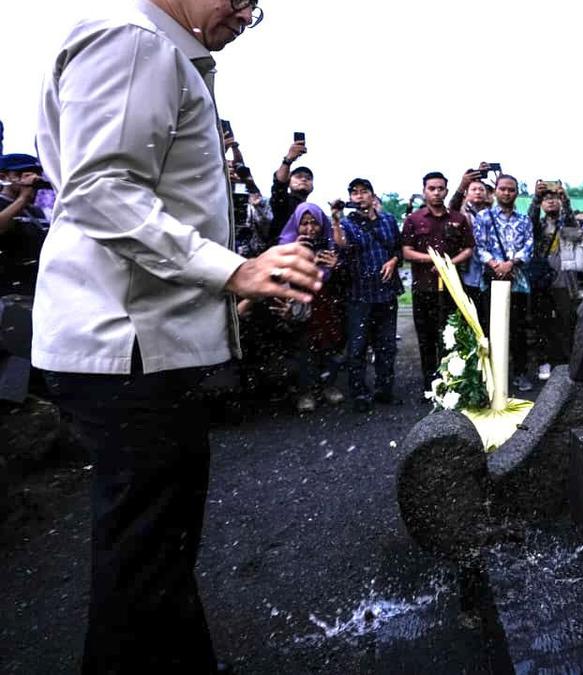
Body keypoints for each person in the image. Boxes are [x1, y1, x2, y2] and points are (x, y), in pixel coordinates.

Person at [33, 1, 320, 672]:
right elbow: (102, 190)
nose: (246, 17)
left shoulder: (161, 51)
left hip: (144, 342)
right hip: (129, 347)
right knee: (143, 578)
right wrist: (234, 270)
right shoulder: (135, 44)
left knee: (156, 566)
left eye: (257, 7)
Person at [333, 177, 403, 412]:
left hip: (386, 293)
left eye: (364, 192)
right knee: (358, 347)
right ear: (351, 198)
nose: (359, 196)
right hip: (359, 294)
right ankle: (360, 393)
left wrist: (393, 261)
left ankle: (385, 389)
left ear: (373, 196)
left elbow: (398, 249)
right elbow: (341, 246)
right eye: (355, 193)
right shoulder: (347, 225)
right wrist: (335, 218)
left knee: (387, 346)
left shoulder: (388, 220)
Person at [401, 172, 475, 387]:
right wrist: (433, 260)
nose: (436, 193)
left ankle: (451, 382)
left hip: (452, 288)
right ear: (424, 191)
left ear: (446, 190)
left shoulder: (457, 219)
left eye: (440, 188)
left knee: (450, 336)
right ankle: (430, 384)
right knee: (426, 338)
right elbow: (406, 251)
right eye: (431, 188)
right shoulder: (413, 220)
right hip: (423, 287)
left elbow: (469, 248)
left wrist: (448, 264)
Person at [468, 174, 534, 392]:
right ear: (495, 191)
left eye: (511, 189)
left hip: (517, 281)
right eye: (503, 189)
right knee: (492, 328)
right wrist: (496, 265)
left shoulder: (524, 219)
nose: (507, 193)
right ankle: (495, 375)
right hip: (491, 280)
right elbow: (478, 247)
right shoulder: (484, 217)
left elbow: (529, 246)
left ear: (517, 192)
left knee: (518, 328)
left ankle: (521, 373)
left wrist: (511, 264)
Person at [279, 203, 343, 412]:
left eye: (314, 223)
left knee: (328, 346)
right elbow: (281, 274)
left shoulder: (328, 243)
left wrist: (335, 266)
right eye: (304, 223)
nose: (309, 229)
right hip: (300, 301)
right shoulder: (287, 244)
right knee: (303, 349)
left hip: (325, 304)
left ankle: (328, 386)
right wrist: (299, 254)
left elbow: (339, 277)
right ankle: (305, 392)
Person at [527, 179, 577, 381]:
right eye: (546, 199)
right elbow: (529, 221)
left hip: (564, 280)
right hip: (542, 280)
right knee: (542, 322)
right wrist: (536, 199)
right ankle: (544, 361)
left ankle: (568, 361)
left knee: (567, 321)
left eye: (554, 197)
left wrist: (566, 200)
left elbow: (575, 228)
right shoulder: (537, 224)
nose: (551, 202)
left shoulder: (566, 222)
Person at [0, 153, 51, 296]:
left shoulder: (36, 211)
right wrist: (23, 198)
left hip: (33, 290)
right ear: (4, 177)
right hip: (6, 292)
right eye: (22, 174)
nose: (32, 178)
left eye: (36, 174)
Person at [269, 137, 313, 242]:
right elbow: (279, 184)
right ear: (289, 182)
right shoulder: (283, 202)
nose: (303, 179)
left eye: (308, 178)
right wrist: (288, 160)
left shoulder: (312, 211)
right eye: (299, 176)